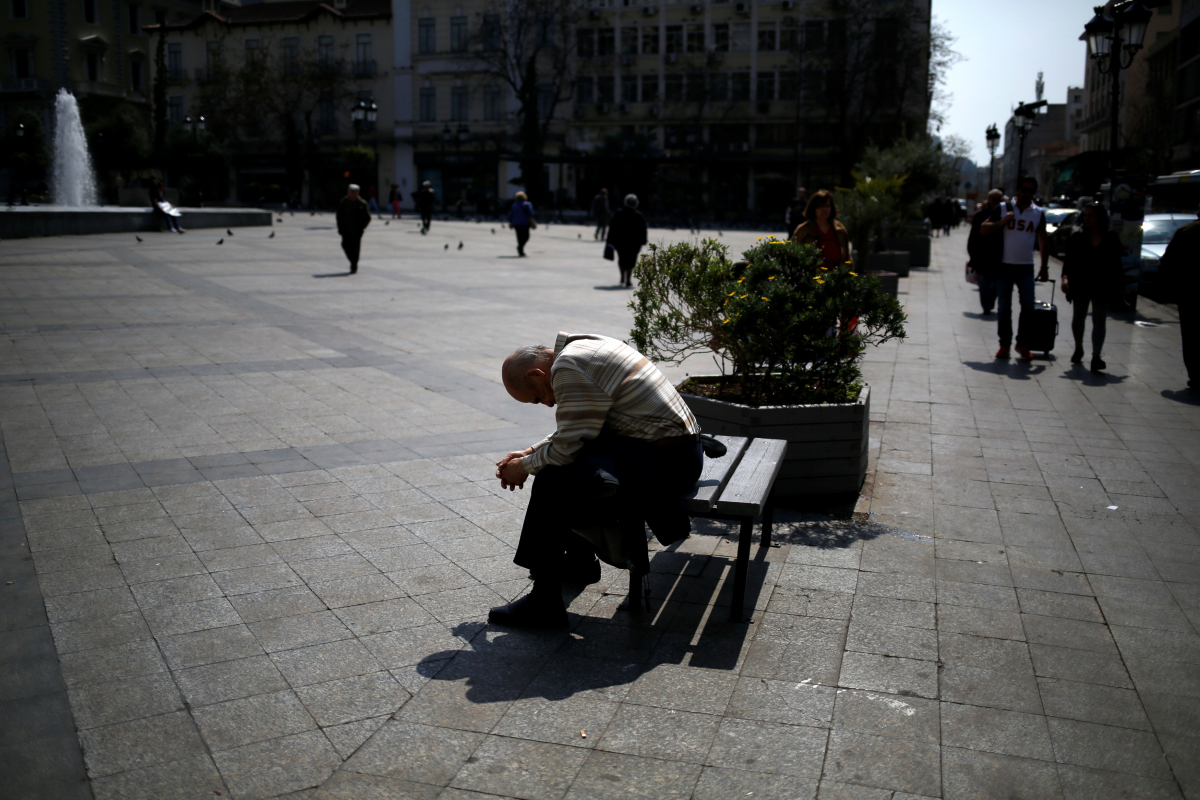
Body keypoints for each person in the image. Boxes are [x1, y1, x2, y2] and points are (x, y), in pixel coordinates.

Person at [488, 334, 703, 628]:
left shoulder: (568, 368)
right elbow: (582, 427)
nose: (547, 404)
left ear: (536, 374)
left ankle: (545, 602)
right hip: (671, 452)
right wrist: (530, 452)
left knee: (552, 481)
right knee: (566, 471)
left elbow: (568, 444)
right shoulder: (583, 349)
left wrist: (524, 467)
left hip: (667, 465)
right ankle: (578, 564)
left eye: (538, 396)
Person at [981, 176, 1050, 360]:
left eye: (1030, 191)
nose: (1027, 193)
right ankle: (1004, 345)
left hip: (1026, 266)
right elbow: (983, 228)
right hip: (1004, 266)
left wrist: (1044, 266)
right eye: (1024, 190)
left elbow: (1043, 240)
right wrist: (1003, 222)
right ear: (1017, 190)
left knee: (1028, 306)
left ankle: (1022, 343)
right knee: (1004, 308)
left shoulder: (1038, 213)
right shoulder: (1003, 208)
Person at [1060, 203, 1122, 373]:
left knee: (1099, 320)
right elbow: (1069, 262)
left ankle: (1096, 356)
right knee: (1078, 317)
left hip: (1102, 285)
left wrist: (1119, 286)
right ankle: (1079, 347)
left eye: (1090, 215)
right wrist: (1065, 279)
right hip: (1080, 284)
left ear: (1100, 218)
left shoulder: (1111, 238)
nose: (1086, 218)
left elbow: (1117, 264)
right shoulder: (1077, 237)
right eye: (1085, 215)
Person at [1159, 206, 1200, 390]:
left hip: (1190, 294)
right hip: (1189, 292)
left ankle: (1195, 376)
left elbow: (1167, 260)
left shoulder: (1186, 231)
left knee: (1191, 336)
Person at [791, 189, 850, 268]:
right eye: (820, 206)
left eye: (827, 206)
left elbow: (848, 259)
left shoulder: (840, 230)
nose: (824, 209)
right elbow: (791, 255)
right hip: (812, 278)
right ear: (813, 208)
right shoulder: (804, 230)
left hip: (836, 278)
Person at [967, 189, 1004, 314]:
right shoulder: (981, 215)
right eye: (993, 198)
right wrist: (972, 254)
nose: (996, 201)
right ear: (989, 200)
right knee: (983, 282)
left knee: (995, 284)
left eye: (998, 199)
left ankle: (990, 301)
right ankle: (986, 306)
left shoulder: (1005, 215)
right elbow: (973, 236)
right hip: (982, 253)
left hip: (998, 254)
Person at [606, 194, 648, 287]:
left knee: (622, 259)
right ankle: (628, 279)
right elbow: (643, 230)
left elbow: (612, 228)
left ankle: (622, 277)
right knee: (631, 261)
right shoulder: (639, 215)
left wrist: (610, 240)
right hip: (634, 243)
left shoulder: (618, 214)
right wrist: (643, 241)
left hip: (620, 241)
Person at [335, 183, 370, 274]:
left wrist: (362, 227)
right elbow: (339, 216)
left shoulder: (362, 203)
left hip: (356, 230)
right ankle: (352, 260)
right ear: (348, 192)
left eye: (355, 192)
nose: (353, 193)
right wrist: (340, 227)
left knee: (355, 248)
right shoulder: (343, 202)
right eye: (351, 192)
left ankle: (354, 264)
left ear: (358, 193)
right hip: (345, 229)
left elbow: (367, 217)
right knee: (345, 245)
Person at [508, 191, 534, 257]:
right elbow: (530, 213)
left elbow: (510, 214)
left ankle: (520, 249)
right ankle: (520, 248)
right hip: (525, 223)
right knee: (526, 236)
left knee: (519, 237)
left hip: (516, 223)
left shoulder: (514, 205)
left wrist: (511, 222)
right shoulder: (527, 204)